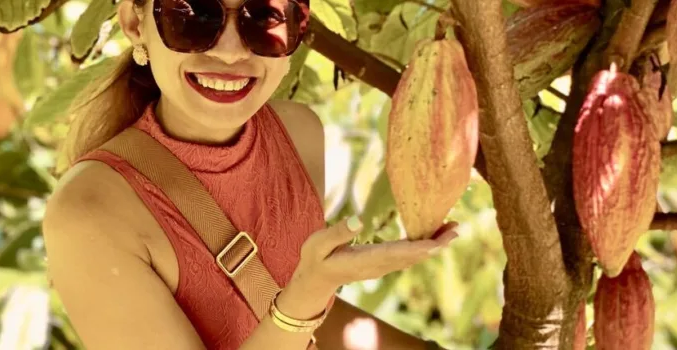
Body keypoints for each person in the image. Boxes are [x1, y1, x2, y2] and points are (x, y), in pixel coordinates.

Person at [41, 0, 459, 349]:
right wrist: (309, 291)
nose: (229, 52)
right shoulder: (89, 211)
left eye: (264, 16)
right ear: (135, 23)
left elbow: (291, 315)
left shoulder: (299, 133)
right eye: (191, 15)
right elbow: (300, 306)